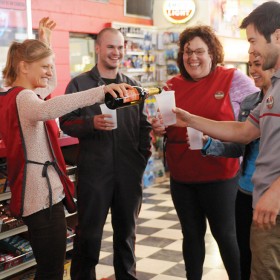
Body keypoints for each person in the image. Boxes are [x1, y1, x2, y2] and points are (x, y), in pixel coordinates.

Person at [0, 18, 131, 280]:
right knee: (51, 270)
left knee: (50, 266)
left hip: (40, 194)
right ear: (24, 66)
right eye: (45, 66)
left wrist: (45, 40)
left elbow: (49, 88)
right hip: (41, 197)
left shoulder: (14, 94)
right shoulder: (24, 98)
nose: (50, 72)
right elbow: (51, 107)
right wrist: (101, 91)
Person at [173, 2, 280, 278]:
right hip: (255, 198)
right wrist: (191, 119)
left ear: (277, 37)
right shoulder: (272, 92)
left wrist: (276, 191)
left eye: (254, 42)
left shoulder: (238, 81)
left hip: (262, 197)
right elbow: (244, 131)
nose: (252, 52)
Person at [151, 25, 259, 280]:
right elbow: (164, 127)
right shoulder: (171, 85)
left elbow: (258, 115)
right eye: (188, 52)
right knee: (190, 235)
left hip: (221, 176)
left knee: (226, 235)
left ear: (212, 53)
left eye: (200, 51)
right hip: (182, 177)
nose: (193, 57)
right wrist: (159, 128)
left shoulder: (233, 79)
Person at [59, 27, 152, 280]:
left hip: (128, 176)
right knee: (89, 236)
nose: (116, 52)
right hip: (94, 175)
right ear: (98, 48)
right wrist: (91, 124)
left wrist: (140, 161)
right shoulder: (79, 84)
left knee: (126, 237)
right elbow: (65, 121)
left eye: (120, 47)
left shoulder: (132, 87)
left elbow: (144, 127)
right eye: (111, 47)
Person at [203, 52, 273, 280]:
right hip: (244, 193)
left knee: (268, 264)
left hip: (271, 195)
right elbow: (239, 145)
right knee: (245, 258)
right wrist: (210, 145)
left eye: (259, 65)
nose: (253, 71)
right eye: (251, 65)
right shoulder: (250, 103)